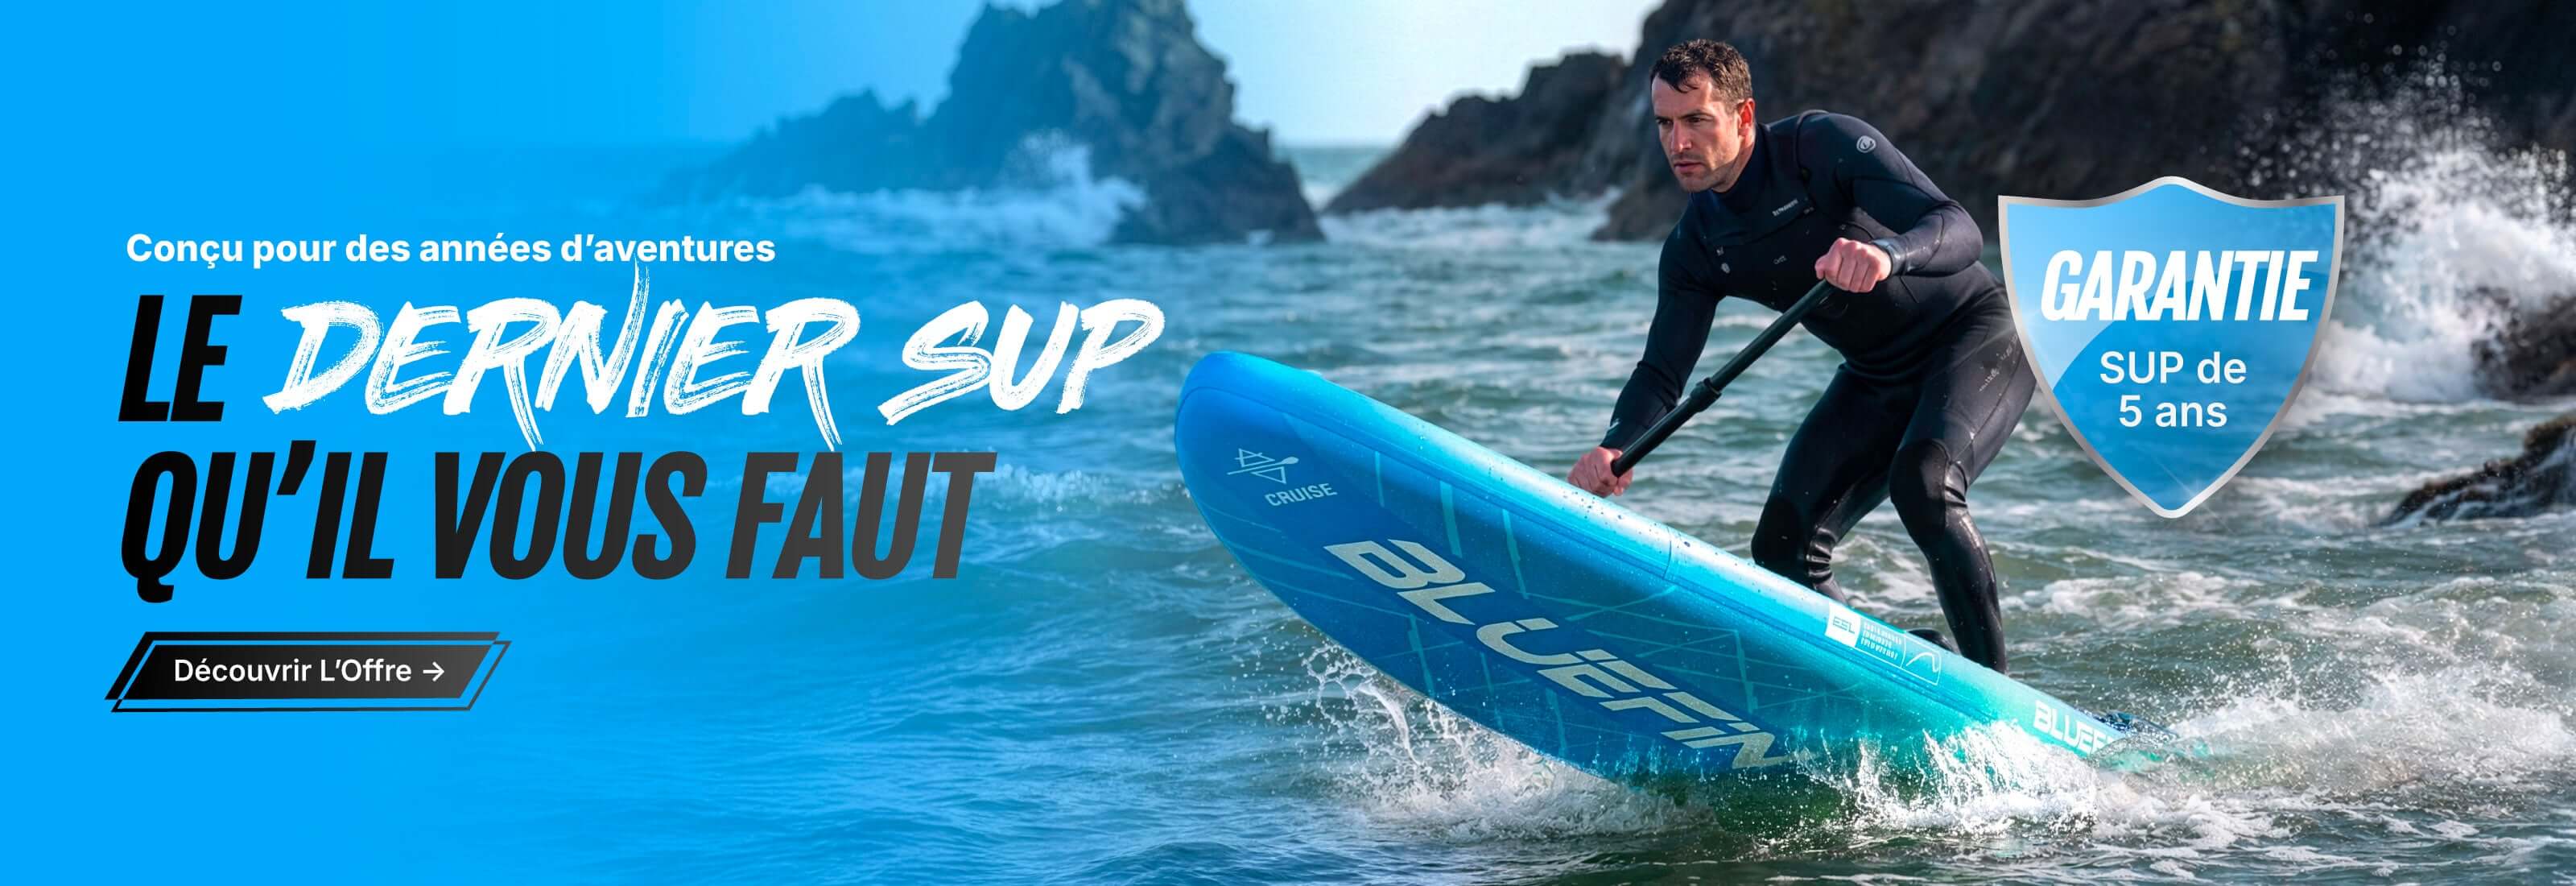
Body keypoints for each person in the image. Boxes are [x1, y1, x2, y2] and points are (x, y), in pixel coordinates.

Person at [1564, 39, 2034, 674]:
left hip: (1976, 333)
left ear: (1743, 117)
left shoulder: (1822, 148)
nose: (1678, 143)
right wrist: (1617, 443)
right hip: (1877, 374)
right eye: (1665, 124)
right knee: (1783, 549)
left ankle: (1995, 696)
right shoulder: (1696, 246)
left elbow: (1959, 227)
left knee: (1923, 484)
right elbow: (1662, 371)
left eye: (1697, 120)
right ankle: (1897, 670)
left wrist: (1887, 254)